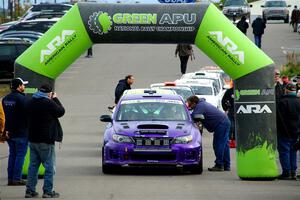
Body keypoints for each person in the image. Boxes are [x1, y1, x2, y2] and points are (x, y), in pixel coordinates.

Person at [25, 84, 65, 198]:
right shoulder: (48, 102)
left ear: (38, 91)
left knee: (33, 166)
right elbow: (61, 111)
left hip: (32, 139)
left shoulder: (30, 102)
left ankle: (30, 190)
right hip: (46, 140)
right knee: (49, 166)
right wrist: (55, 98)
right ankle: (48, 191)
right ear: (49, 93)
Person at [187, 96, 231, 171]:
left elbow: (194, 116)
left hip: (221, 124)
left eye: (190, 105)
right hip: (224, 122)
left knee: (218, 144)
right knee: (224, 145)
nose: (190, 106)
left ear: (194, 102)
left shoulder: (200, 106)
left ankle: (219, 165)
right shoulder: (202, 104)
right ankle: (226, 165)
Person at [2, 78, 29, 186]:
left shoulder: (5, 99)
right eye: (23, 85)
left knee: (12, 155)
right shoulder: (22, 99)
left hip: (9, 132)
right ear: (19, 86)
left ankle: (10, 178)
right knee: (20, 155)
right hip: (21, 132)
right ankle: (16, 178)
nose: (24, 87)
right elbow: (28, 114)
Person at [276, 83, 300, 180]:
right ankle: (293, 171)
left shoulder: (282, 102)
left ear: (286, 90)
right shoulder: (299, 102)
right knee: (293, 150)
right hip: (296, 131)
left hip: (284, 131)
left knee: (284, 151)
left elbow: (279, 118)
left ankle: (286, 172)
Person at [221, 83, 235, 148]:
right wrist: (225, 109)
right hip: (231, 111)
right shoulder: (229, 91)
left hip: (240, 111)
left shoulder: (242, 90)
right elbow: (223, 100)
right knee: (231, 126)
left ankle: (235, 141)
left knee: (236, 128)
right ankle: (228, 141)